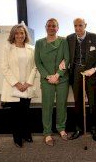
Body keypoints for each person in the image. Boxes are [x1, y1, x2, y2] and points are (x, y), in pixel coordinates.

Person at [66, 18, 96, 142]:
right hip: (76, 73)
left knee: (93, 103)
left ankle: (94, 128)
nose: (78, 28)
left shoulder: (95, 37)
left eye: (80, 25)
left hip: (91, 74)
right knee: (78, 103)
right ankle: (78, 129)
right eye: (75, 26)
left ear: (85, 25)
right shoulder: (69, 38)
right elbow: (65, 55)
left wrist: (94, 69)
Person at [35, 18, 70, 146]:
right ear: (45, 27)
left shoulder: (63, 41)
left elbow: (67, 59)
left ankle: (61, 128)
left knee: (61, 104)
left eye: (54, 26)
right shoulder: (39, 43)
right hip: (47, 80)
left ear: (57, 28)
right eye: (49, 26)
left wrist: (57, 75)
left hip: (62, 79)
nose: (51, 28)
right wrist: (47, 76)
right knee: (47, 106)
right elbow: (38, 62)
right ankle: (47, 133)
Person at [1, 23, 36, 148]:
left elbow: (34, 67)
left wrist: (27, 83)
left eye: (22, 33)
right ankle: (17, 137)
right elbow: (4, 68)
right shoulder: (7, 48)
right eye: (17, 33)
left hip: (27, 85)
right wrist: (17, 84)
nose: (20, 35)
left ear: (25, 34)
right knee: (16, 114)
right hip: (14, 86)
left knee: (26, 112)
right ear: (13, 35)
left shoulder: (32, 48)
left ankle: (26, 134)